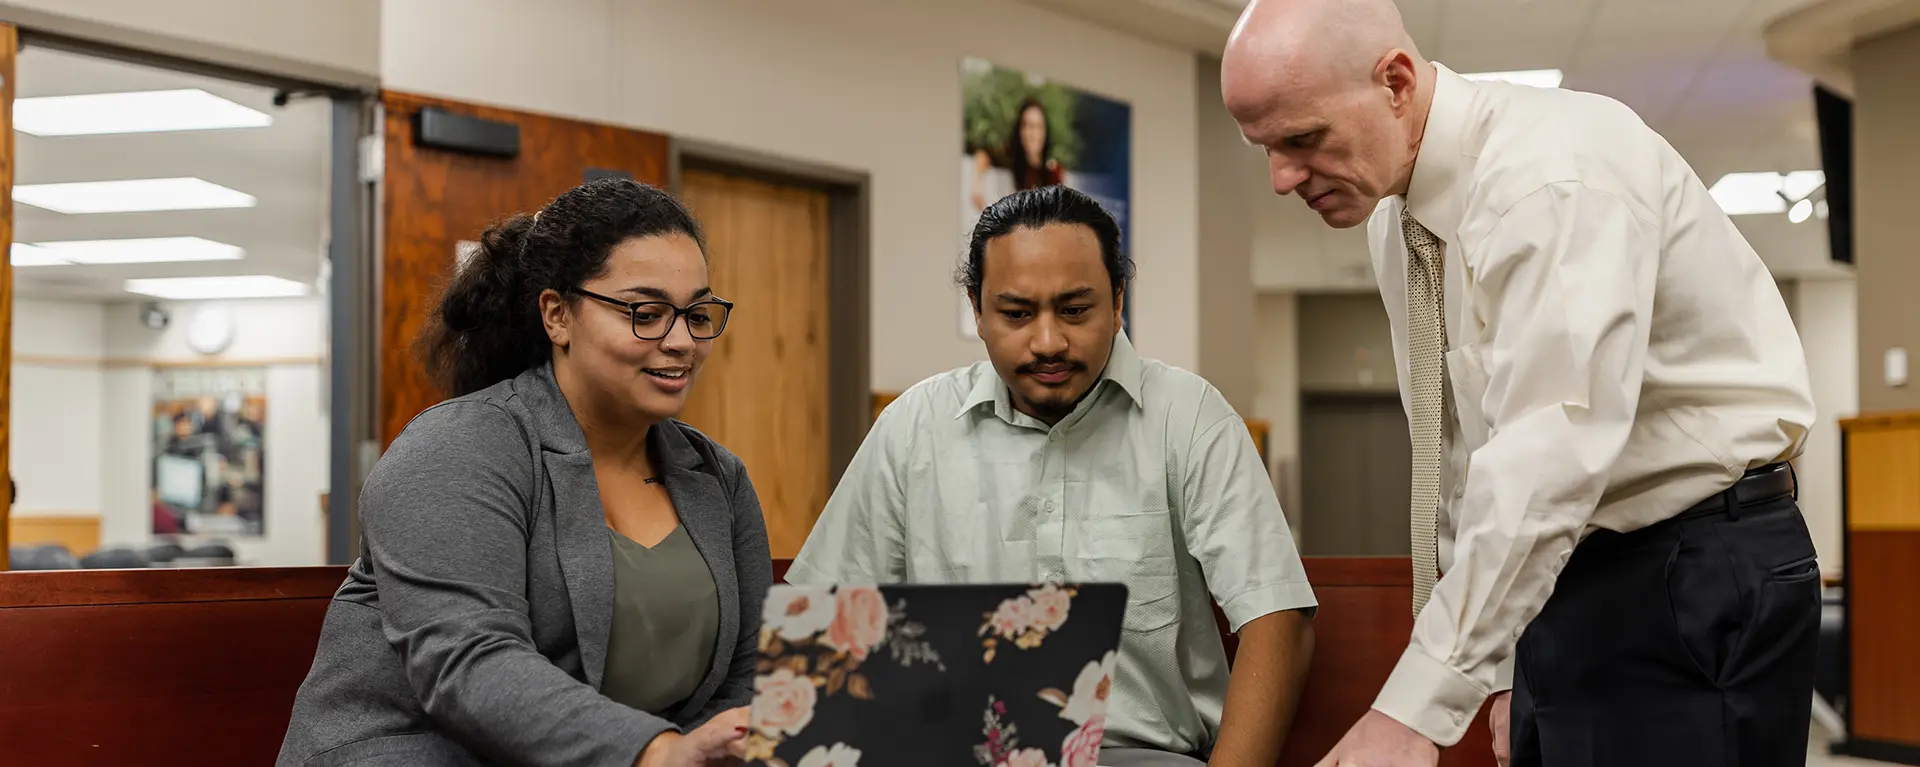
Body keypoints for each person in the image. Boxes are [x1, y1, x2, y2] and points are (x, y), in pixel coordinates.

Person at [1219, 1, 1820, 766]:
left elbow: (1549, 452)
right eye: (1265, 148)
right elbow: (1464, 451)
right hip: (1565, 573)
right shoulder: (1396, 218)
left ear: (1396, 82)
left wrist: (1413, 710)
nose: (1280, 178)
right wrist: (1495, 662)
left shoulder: (1550, 177)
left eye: (1302, 139)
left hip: (1690, 570)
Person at [789, 185, 1318, 767]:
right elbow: (824, 625)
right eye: (1016, 314)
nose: (1048, 342)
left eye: (1075, 310)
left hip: (1137, 756)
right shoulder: (912, 428)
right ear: (977, 309)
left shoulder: (1189, 419)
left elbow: (1277, 621)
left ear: (1118, 302)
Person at [277, 178, 770, 767]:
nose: (681, 341)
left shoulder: (718, 477)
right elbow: (469, 662)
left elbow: (748, 672)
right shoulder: (458, 449)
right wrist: (658, 754)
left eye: (697, 314)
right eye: (647, 312)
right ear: (557, 316)